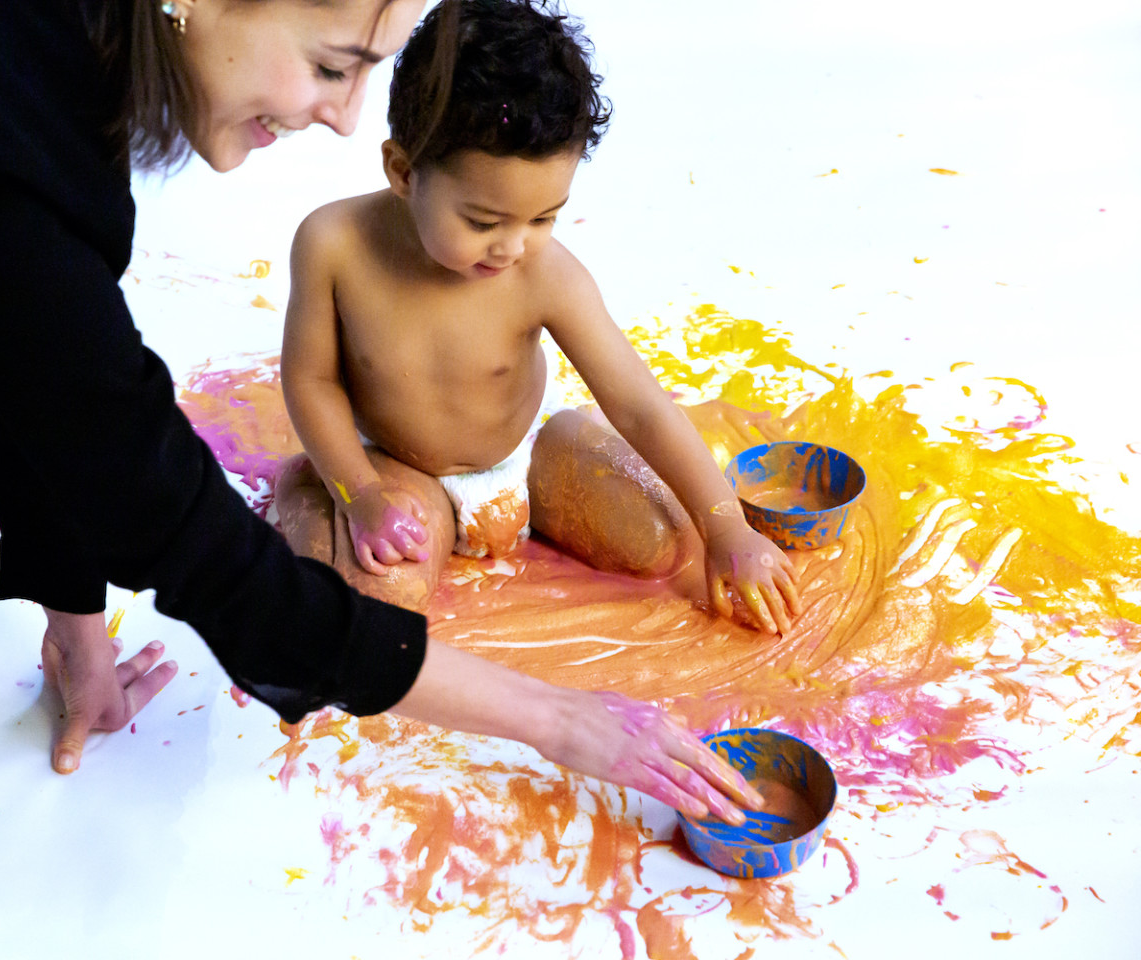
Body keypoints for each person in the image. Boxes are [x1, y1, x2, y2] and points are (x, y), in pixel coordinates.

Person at [0, 0, 759, 877]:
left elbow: (27, 356)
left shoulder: (41, 95)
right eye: (332, 64)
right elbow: (198, 543)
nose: (346, 121)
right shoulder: (1, 134)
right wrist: (562, 722)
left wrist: (76, 631)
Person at [278, 0, 800, 633]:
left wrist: (728, 528)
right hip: (397, 467)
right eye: (482, 222)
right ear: (404, 172)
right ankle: (310, 485)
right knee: (379, 601)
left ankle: (571, 451)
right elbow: (312, 380)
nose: (513, 246)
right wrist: (360, 493)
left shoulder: (549, 274)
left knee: (665, 544)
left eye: (543, 216)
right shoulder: (333, 244)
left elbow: (638, 405)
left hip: (523, 461)